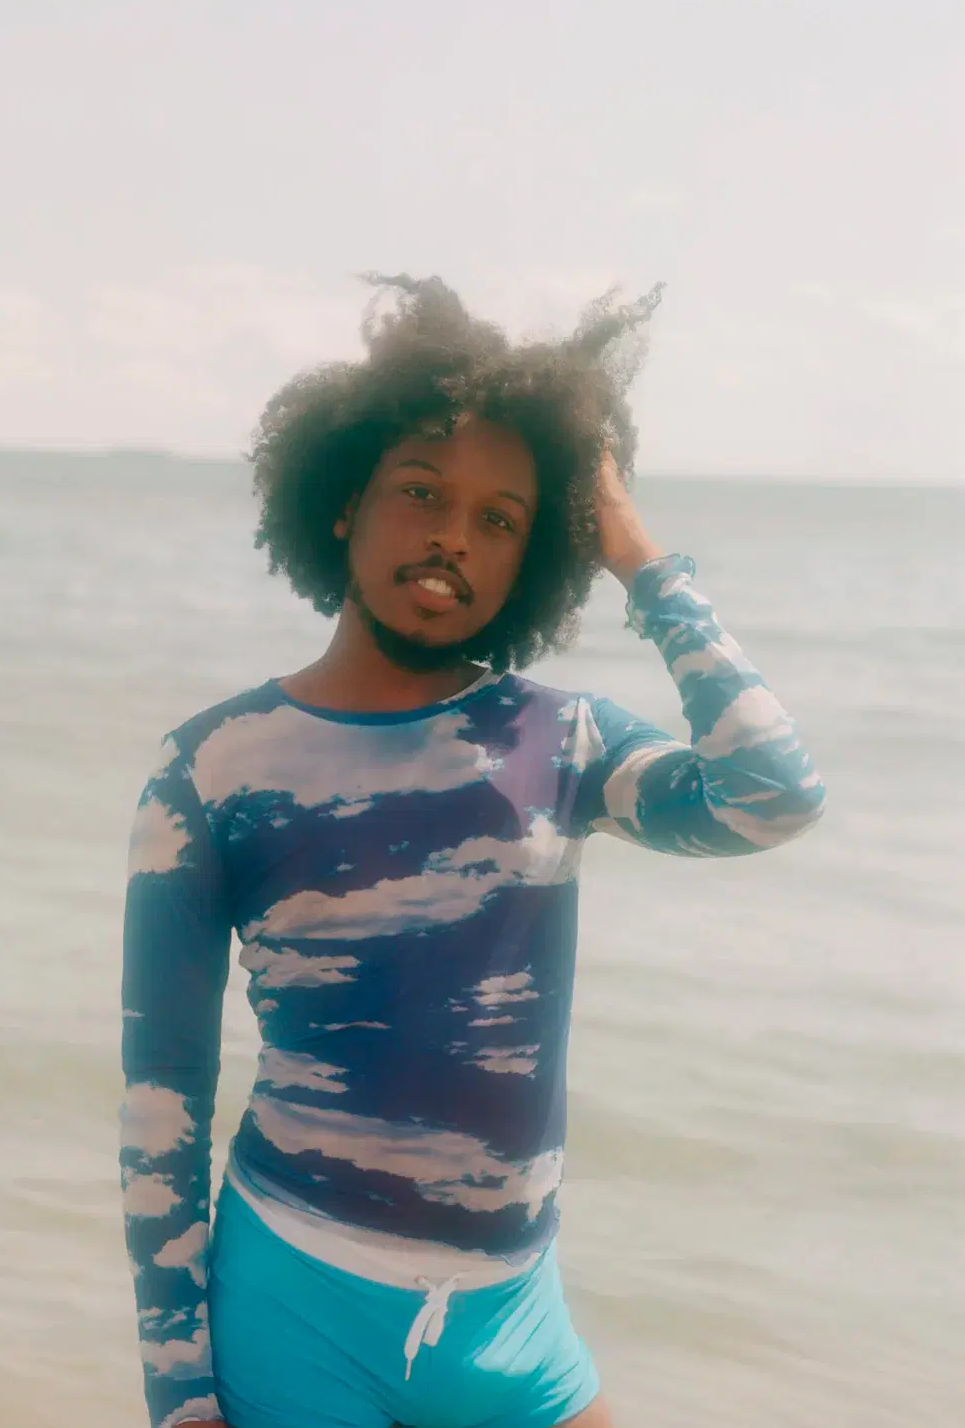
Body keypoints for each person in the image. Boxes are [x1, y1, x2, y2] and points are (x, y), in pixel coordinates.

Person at [118, 276, 825, 1428]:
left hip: (514, 1322)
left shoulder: (569, 742)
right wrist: (180, 1394)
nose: (454, 533)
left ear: (534, 556)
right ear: (344, 501)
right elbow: (161, 1102)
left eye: (501, 518)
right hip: (293, 1297)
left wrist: (641, 557)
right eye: (420, 490)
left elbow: (773, 794)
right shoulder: (211, 771)